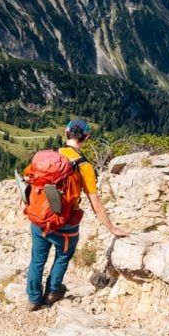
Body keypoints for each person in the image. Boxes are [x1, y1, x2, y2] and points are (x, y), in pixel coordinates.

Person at [26, 118, 129, 311]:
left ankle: (33, 299)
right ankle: (52, 292)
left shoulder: (49, 156)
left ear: (66, 133)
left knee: (37, 259)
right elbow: (95, 204)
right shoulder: (84, 166)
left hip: (40, 218)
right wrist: (112, 228)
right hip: (65, 222)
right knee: (62, 257)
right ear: (86, 137)